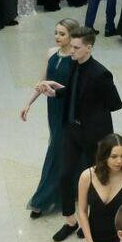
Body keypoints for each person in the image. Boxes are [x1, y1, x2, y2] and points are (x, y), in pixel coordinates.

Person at [53, 28, 122, 242]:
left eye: (76, 47)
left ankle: (89, 221)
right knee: (65, 175)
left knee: (95, 178)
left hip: (94, 135)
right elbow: (73, 91)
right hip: (72, 130)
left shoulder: (101, 74)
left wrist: (93, 108)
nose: (71, 51)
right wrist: (56, 91)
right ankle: (70, 220)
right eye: (71, 46)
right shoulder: (74, 64)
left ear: (88, 48)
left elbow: (115, 104)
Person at [22, 19, 77, 220]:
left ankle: (41, 200)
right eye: (56, 33)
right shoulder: (51, 53)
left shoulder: (76, 58)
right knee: (61, 147)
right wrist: (28, 103)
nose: (57, 37)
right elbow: (42, 82)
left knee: (56, 151)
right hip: (53, 109)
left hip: (68, 109)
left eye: (62, 34)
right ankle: (72, 188)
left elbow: (76, 89)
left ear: (72, 36)